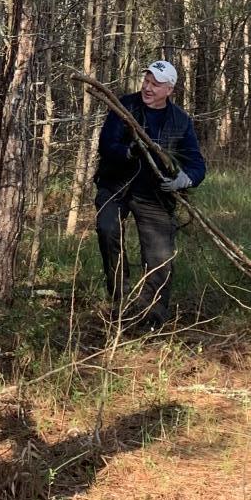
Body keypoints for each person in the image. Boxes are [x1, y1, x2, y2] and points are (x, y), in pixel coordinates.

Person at [94, 59, 206, 334]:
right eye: (146, 81)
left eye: (155, 84)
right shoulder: (124, 106)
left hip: (154, 194)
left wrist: (183, 179)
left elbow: (196, 164)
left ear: (169, 89)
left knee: (159, 255)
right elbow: (106, 145)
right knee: (107, 230)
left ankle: (152, 317)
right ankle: (120, 300)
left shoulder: (180, 121)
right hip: (115, 185)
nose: (147, 87)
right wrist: (129, 151)